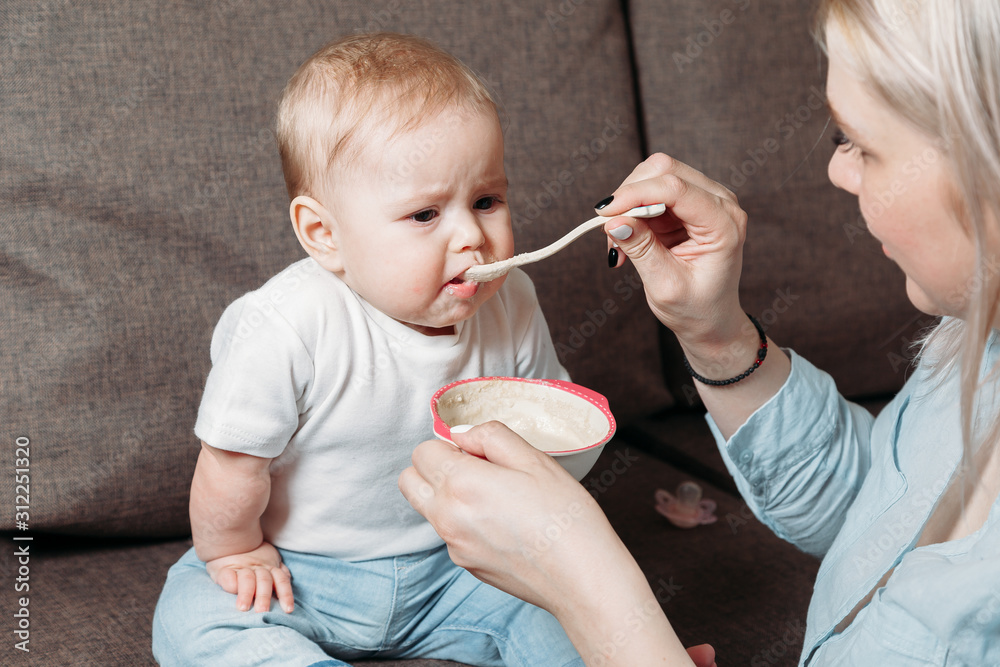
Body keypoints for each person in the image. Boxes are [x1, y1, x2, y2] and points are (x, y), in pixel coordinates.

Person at [398, 0, 1000, 664]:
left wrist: (591, 592)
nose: (838, 170)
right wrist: (715, 334)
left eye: (864, 145)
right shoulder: (977, 341)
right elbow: (883, 513)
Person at [152, 32, 589, 666]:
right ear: (323, 234)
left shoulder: (512, 300)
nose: (472, 236)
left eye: (486, 201)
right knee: (193, 617)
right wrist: (235, 552)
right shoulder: (287, 324)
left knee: (573, 600)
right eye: (424, 215)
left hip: (460, 570)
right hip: (302, 573)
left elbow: (547, 429)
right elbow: (231, 464)